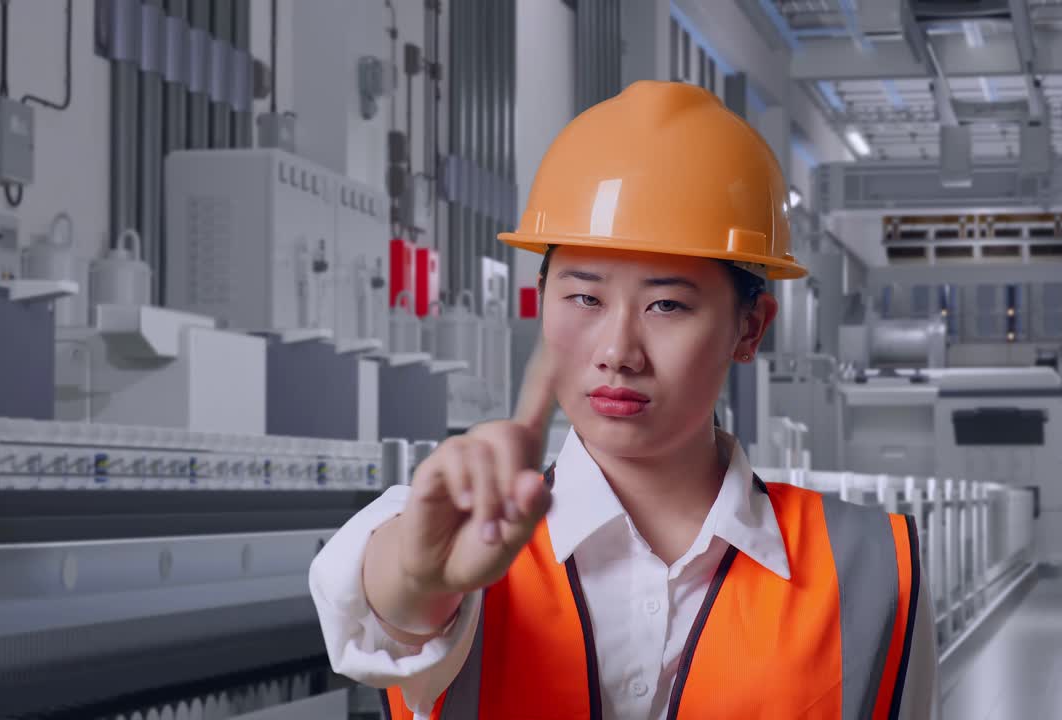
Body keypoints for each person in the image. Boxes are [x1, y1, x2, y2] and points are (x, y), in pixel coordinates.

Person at [309, 80, 940, 719]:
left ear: (749, 328)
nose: (618, 351)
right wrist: (418, 577)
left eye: (667, 305)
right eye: (585, 297)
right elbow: (383, 603)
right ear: (543, 301)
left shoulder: (869, 569)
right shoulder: (462, 541)